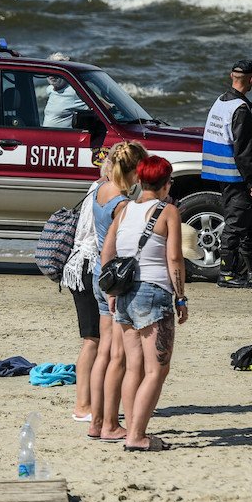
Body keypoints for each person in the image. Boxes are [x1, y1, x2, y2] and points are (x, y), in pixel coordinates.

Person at [100, 155, 188, 452]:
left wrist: (111, 293)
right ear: (165, 184)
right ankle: (137, 436)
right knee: (157, 370)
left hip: (124, 293)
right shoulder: (168, 211)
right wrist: (181, 296)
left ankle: (132, 429)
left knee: (133, 367)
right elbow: (174, 258)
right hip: (153, 292)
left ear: (139, 181)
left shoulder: (124, 210)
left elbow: (107, 252)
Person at [87, 141, 146, 443]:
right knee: (118, 356)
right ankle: (110, 423)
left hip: (100, 273)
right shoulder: (122, 204)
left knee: (103, 352)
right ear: (134, 172)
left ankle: (96, 421)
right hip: (116, 280)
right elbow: (123, 245)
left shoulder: (100, 189)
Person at [202, 59, 252, 289]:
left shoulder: (220, 102)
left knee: (249, 222)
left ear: (231, 76)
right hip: (236, 175)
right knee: (235, 224)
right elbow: (243, 151)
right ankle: (227, 273)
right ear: (251, 80)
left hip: (220, 172)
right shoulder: (240, 110)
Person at [61, 149, 110, 423]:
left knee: (93, 340)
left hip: (80, 266)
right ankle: (82, 405)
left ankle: (89, 402)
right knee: (92, 340)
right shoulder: (107, 192)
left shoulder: (96, 188)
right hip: (86, 268)